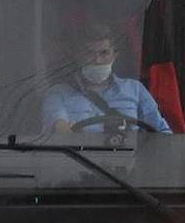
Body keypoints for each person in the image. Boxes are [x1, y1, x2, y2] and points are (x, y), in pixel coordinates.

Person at [40, 21, 171, 137]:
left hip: (131, 162)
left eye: (104, 53)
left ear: (115, 55)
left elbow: (162, 133)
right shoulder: (58, 93)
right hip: (78, 161)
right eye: (89, 53)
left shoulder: (135, 90)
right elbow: (58, 130)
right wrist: (64, 131)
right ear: (78, 56)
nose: (97, 60)